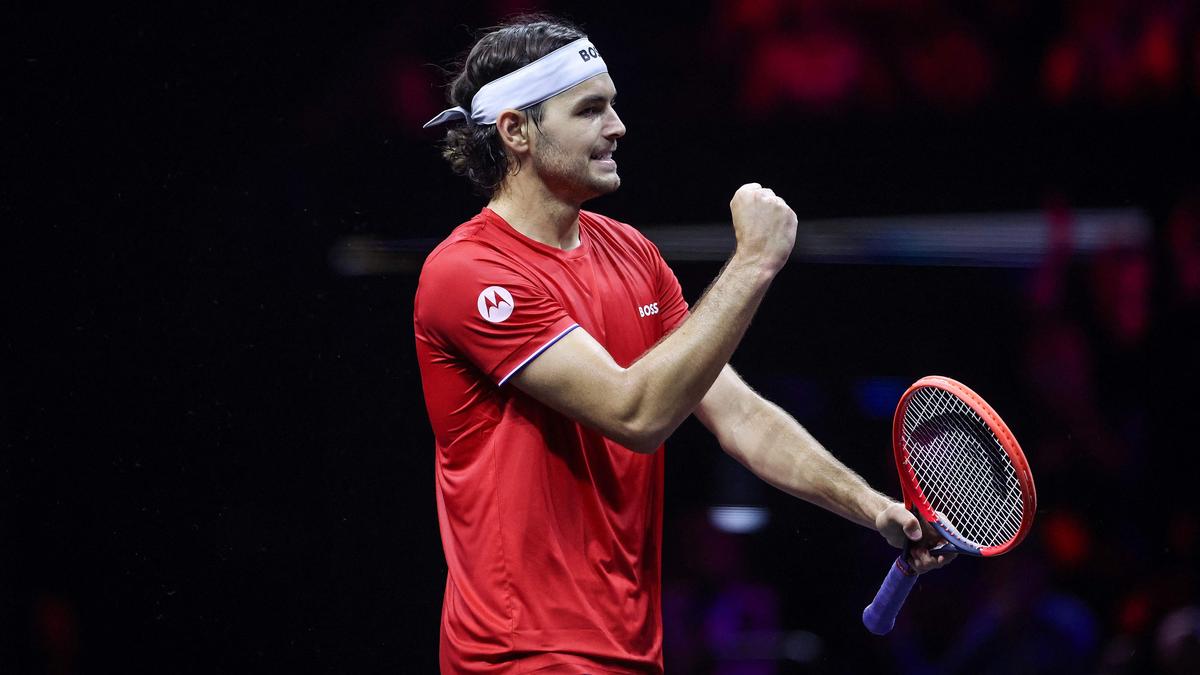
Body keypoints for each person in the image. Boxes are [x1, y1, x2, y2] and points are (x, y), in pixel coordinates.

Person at [414, 15, 953, 674]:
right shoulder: (468, 273)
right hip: (519, 656)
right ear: (517, 131)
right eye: (590, 110)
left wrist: (871, 506)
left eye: (613, 104)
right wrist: (752, 262)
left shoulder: (632, 254)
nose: (617, 127)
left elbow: (742, 416)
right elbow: (632, 414)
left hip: (632, 652)